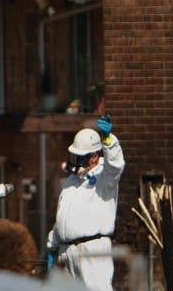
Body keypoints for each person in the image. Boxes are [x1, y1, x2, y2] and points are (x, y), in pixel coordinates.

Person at [46, 115, 124, 291]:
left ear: (95, 156)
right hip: (68, 252)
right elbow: (63, 216)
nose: (76, 161)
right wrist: (53, 245)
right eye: (75, 156)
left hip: (92, 250)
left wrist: (109, 141)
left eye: (81, 156)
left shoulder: (105, 177)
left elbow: (116, 165)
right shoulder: (71, 182)